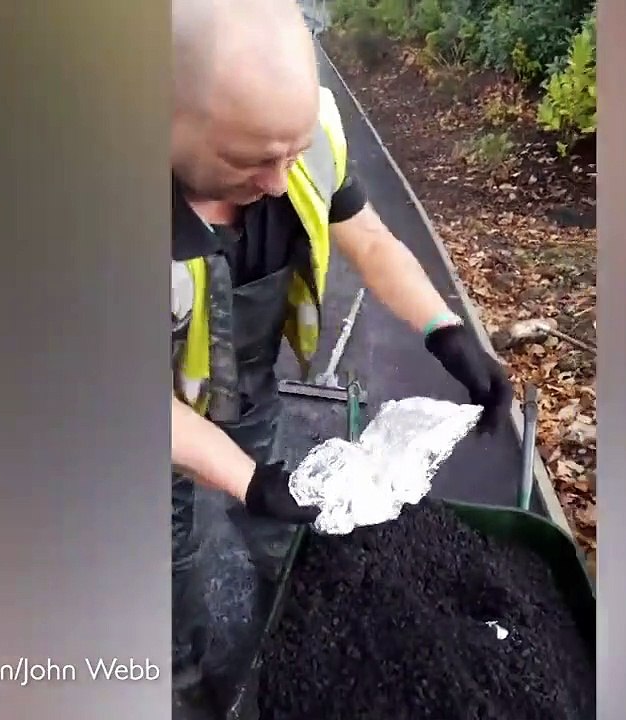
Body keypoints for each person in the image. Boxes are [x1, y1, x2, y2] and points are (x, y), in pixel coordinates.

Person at [168, 0, 512, 710]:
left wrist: (446, 331)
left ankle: (288, 630)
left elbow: (372, 242)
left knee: (281, 529)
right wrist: (245, 478)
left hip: (249, 387)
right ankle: (179, 677)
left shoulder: (303, 139)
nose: (276, 181)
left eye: (289, 154)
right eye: (250, 161)